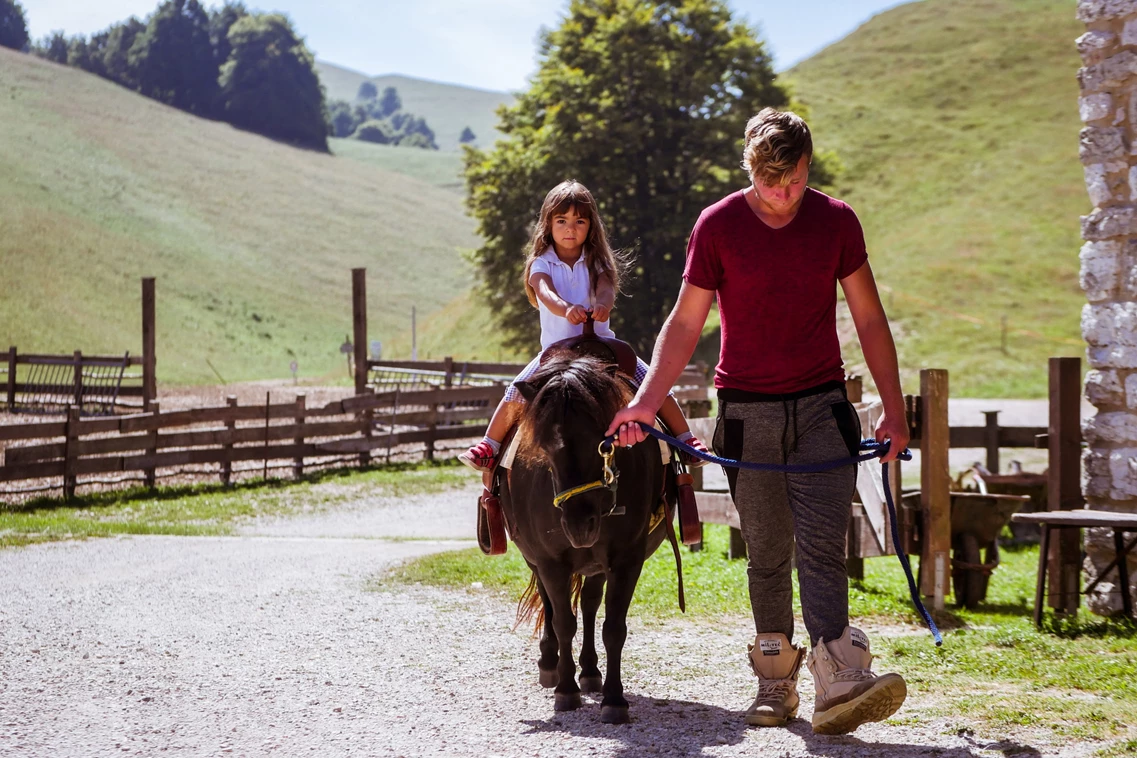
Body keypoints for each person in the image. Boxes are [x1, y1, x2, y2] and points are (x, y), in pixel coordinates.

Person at [605, 109, 911, 735]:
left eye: (795, 180)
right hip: (746, 412)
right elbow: (686, 323)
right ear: (750, 168)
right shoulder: (717, 225)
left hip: (825, 408)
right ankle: (776, 684)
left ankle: (839, 680)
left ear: (808, 166)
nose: (783, 195)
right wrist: (644, 400)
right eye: (772, 182)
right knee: (767, 552)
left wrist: (896, 408)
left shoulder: (836, 221)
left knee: (825, 547)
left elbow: (871, 319)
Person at [459, 180, 708, 474]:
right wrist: (566, 309)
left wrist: (604, 305)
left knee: (651, 381)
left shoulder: (596, 260)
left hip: (602, 346)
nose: (570, 228)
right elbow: (545, 293)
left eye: (580, 221)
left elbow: (606, 288)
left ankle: (685, 439)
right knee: (517, 391)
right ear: (548, 224)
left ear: (591, 226)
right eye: (561, 221)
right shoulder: (542, 263)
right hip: (557, 352)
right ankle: (490, 445)